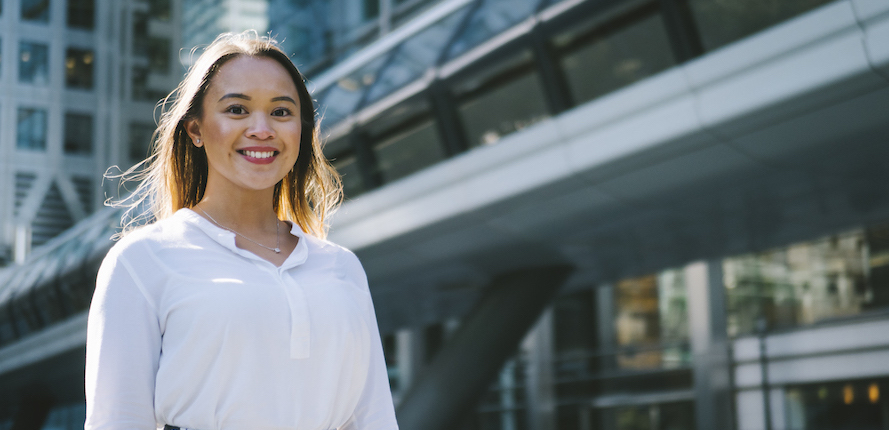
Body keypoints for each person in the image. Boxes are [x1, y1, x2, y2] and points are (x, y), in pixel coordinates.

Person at [85, 32, 399, 430]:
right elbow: (117, 422)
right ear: (195, 129)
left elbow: (375, 419)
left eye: (282, 112)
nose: (262, 129)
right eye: (237, 109)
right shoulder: (142, 262)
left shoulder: (342, 268)